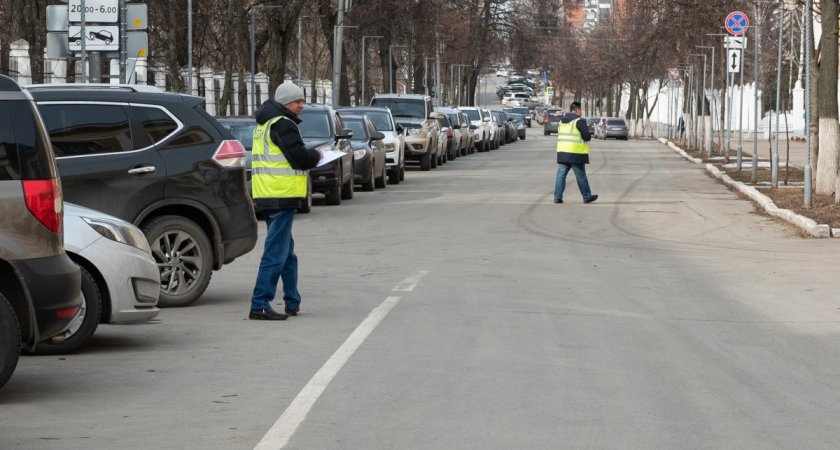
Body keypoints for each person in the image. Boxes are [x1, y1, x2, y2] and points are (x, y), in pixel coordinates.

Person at [249, 81, 323, 320]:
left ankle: (292, 301)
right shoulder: (283, 124)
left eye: (302, 101)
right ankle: (259, 304)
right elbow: (299, 158)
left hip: (268, 194)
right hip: (280, 196)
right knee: (276, 252)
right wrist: (318, 155)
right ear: (284, 103)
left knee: (286, 252)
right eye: (297, 101)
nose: (302, 105)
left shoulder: (265, 123)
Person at [554, 101, 597, 204]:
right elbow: (586, 137)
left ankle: (557, 197)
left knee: (561, 175)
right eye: (580, 110)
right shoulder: (579, 121)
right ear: (577, 110)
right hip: (576, 154)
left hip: (562, 152)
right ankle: (587, 196)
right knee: (581, 176)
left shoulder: (562, 121)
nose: (581, 112)